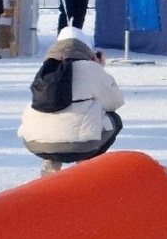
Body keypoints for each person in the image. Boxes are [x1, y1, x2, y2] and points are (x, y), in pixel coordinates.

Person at [19, 27, 124, 174]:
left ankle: (50, 168)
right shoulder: (90, 69)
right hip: (79, 146)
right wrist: (100, 69)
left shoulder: (45, 70)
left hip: (36, 143)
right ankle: (85, 167)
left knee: (52, 121)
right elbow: (115, 101)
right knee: (114, 120)